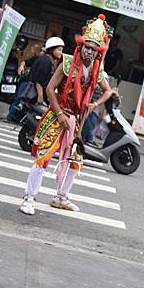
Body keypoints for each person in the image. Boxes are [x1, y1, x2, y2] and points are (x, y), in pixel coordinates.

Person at [20, 14, 114, 216]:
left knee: (75, 160)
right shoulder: (67, 62)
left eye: (93, 48)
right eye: (86, 46)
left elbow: (108, 91)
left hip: (77, 120)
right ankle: (29, 197)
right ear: (81, 46)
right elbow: (50, 89)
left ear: (98, 52)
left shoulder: (98, 70)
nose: (89, 51)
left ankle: (61, 197)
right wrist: (60, 113)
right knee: (43, 156)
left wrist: (94, 104)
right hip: (57, 115)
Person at [6, 43, 46, 123]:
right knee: (19, 100)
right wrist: (21, 67)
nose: (42, 53)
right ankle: (10, 117)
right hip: (28, 83)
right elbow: (25, 62)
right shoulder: (37, 59)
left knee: (25, 102)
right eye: (41, 51)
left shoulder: (46, 62)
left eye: (44, 51)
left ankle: (18, 117)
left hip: (34, 85)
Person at [29, 37, 66, 107]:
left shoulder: (50, 61)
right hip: (35, 96)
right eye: (59, 50)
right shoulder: (45, 61)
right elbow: (38, 80)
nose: (61, 53)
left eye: (61, 50)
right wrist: (40, 96)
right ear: (52, 49)